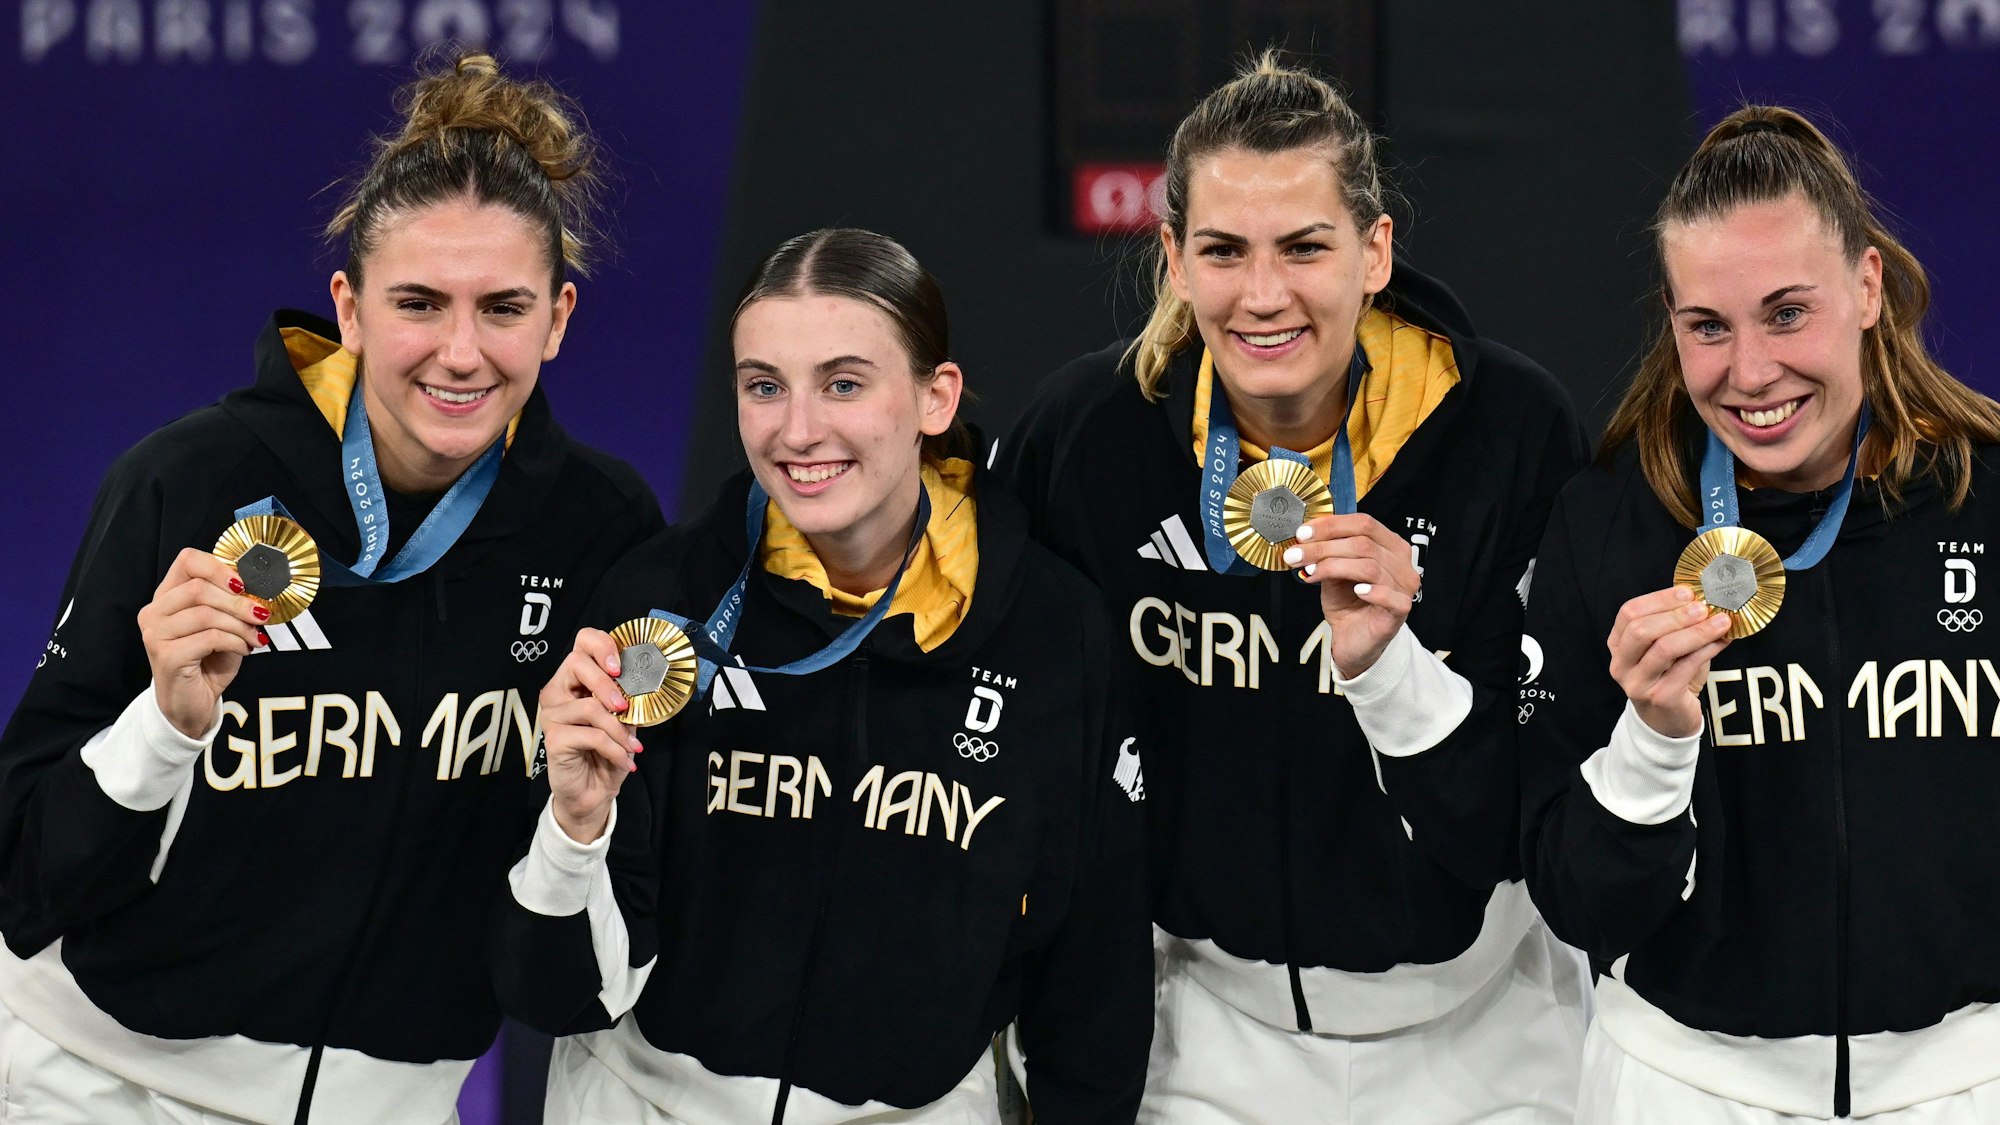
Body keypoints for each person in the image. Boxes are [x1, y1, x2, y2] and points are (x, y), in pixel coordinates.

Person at [0, 53, 662, 1124]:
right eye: (418, 303)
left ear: (560, 317)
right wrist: (162, 726)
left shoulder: (598, 527)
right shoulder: (193, 480)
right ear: (348, 307)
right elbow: (26, 882)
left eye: (502, 307)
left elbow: (578, 953)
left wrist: (582, 818)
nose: (460, 351)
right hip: (104, 1087)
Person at [996, 52, 1590, 1123]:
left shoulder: (1509, 430)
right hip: (1203, 1047)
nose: (1261, 296)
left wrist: (1392, 674)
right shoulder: (1085, 441)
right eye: (1222, 250)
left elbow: (1536, 803)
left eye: (1303, 248)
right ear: (1171, 258)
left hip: (1485, 1044)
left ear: (1373, 252)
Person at [494, 227, 1152, 1124]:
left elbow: (1091, 980)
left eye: (844, 383)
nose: (797, 431)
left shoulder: (1051, 629)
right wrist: (574, 826)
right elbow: (554, 995)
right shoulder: (660, 596)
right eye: (764, 386)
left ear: (934, 397)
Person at [1521, 106, 2000, 1122]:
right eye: (1706, 326)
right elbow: (1573, 901)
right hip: (1684, 1086)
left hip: (1965, 1084)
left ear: (1867, 287)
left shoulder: (1986, 501)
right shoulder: (1606, 525)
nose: (1747, 374)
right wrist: (1649, 742)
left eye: (1786, 313)